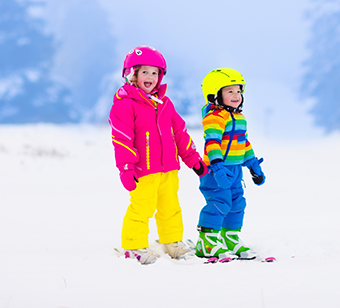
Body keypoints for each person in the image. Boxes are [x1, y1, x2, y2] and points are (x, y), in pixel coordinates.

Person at [109, 46, 207, 264]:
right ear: (132, 74)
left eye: (155, 73)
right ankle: (133, 246)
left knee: (170, 207)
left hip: (168, 169)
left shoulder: (164, 104)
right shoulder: (125, 105)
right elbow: (121, 139)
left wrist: (193, 160)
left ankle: (171, 242)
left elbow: (180, 133)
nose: (150, 77)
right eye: (145, 72)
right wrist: (126, 168)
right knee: (141, 208)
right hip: (142, 170)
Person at [194, 68, 266, 261]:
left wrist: (253, 165)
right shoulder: (214, 118)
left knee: (237, 203)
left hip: (234, 171)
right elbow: (212, 142)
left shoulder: (240, 118)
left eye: (239, 91)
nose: (237, 96)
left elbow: (244, 143)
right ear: (215, 94)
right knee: (219, 202)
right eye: (230, 91)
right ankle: (206, 241)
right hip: (215, 170)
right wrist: (217, 166)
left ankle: (229, 238)